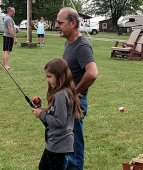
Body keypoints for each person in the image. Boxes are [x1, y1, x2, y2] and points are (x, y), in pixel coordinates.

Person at [55, 7, 98, 170]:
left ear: (72, 23)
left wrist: (75, 92)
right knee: (67, 145)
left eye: (60, 22)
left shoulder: (82, 46)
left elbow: (92, 73)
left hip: (75, 103)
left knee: (74, 147)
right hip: (67, 100)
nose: (57, 25)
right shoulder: (69, 43)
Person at [32, 58, 83, 170]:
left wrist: (41, 114)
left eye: (49, 76)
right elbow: (57, 114)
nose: (47, 80)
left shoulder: (60, 95)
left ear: (60, 76)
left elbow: (59, 121)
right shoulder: (66, 91)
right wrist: (43, 110)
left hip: (58, 144)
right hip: (56, 143)